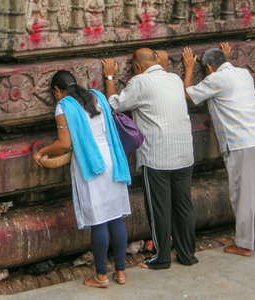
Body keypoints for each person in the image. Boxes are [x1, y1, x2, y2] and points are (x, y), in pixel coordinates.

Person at [33, 70, 132, 287]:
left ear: (57, 90)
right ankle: (121, 273)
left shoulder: (64, 105)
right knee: (116, 217)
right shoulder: (97, 95)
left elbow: (63, 143)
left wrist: (42, 152)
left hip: (91, 163)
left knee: (98, 221)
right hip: (113, 159)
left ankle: (101, 276)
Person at [102, 48, 198, 270]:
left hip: (157, 157)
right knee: (183, 205)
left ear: (137, 67)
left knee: (159, 209)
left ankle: (161, 257)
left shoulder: (139, 82)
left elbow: (113, 105)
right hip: (184, 151)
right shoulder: (174, 79)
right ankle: (187, 254)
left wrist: (109, 77)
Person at [182, 43, 255, 256]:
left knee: (243, 193)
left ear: (208, 68)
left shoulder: (216, 79)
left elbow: (188, 94)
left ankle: (243, 244)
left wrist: (188, 68)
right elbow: (225, 68)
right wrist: (225, 57)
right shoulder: (244, 74)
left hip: (242, 142)